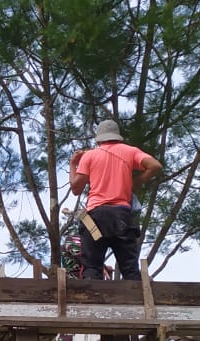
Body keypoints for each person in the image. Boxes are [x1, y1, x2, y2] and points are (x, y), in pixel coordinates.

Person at [68, 120, 162, 280]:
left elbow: (76, 189)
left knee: (91, 267)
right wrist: (136, 183)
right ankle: (137, 301)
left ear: (99, 139)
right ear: (118, 137)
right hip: (122, 218)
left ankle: (93, 300)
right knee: (130, 269)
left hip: (95, 220)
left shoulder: (90, 155)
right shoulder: (130, 151)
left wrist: (73, 164)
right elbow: (155, 166)